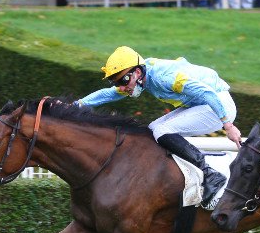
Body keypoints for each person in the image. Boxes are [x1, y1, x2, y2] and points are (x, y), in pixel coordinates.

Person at [75, 46, 242, 207]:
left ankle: (211, 175)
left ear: (137, 72)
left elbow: (207, 93)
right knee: (152, 129)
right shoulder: (140, 75)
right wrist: (78, 104)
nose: (122, 87)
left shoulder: (163, 78)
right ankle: (172, 175)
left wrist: (228, 126)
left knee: (162, 131)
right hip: (201, 104)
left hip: (218, 105)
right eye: (117, 82)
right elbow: (109, 94)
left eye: (123, 80)